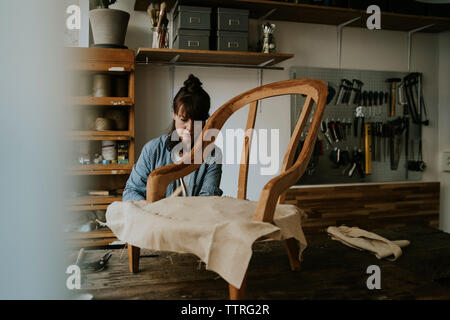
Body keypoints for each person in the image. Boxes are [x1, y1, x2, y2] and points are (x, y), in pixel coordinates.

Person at [123, 74, 223, 201]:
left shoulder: (213, 154)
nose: (190, 127)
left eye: (197, 120)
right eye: (184, 119)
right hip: (155, 218)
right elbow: (131, 191)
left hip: (195, 219)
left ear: (205, 121)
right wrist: (150, 209)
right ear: (174, 114)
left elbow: (208, 200)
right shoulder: (153, 150)